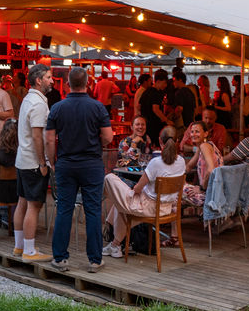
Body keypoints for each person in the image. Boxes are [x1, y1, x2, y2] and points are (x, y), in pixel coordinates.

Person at [45, 66, 115, 273]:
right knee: (93, 210)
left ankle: (60, 258)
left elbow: (49, 139)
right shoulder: (98, 107)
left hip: (66, 163)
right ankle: (94, 260)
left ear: (67, 84)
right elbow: (109, 137)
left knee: (64, 210)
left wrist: (52, 161)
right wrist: (96, 143)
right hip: (91, 163)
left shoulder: (57, 108)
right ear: (88, 84)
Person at [101, 126, 186, 258]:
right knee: (121, 204)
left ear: (160, 141)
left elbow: (138, 188)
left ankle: (115, 245)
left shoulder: (156, 163)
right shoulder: (181, 161)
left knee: (109, 178)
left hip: (148, 207)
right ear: (178, 141)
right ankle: (115, 246)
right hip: (166, 208)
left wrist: (131, 191)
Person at [14, 63, 55, 262]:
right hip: (33, 161)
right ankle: (29, 251)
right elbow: (38, 136)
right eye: (48, 77)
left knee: (22, 201)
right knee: (34, 205)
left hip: (22, 158)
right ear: (39, 80)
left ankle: (19, 245)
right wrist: (43, 162)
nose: (52, 80)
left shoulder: (28, 99)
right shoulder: (38, 103)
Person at [183, 121, 222, 208]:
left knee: (175, 190)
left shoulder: (205, 146)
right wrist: (178, 175)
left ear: (205, 134)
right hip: (215, 193)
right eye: (192, 132)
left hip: (210, 196)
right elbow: (189, 166)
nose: (193, 134)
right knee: (177, 186)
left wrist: (201, 188)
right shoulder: (202, 147)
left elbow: (211, 170)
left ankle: (167, 219)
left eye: (197, 131)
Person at [139, 69, 169, 143]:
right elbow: (155, 109)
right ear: (158, 81)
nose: (165, 85)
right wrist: (167, 120)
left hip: (145, 124)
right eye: (164, 83)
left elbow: (138, 106)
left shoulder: (146, 91)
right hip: (154, 125)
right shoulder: (156, 93)